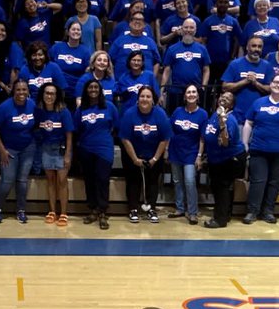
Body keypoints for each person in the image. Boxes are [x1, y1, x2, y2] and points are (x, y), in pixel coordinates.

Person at [242, 73, 279, 225]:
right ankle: (252, 211)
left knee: (274, 182)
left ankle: (268, 211)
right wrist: (244, 143)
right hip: (259, 149)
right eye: (276, 82)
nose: (278, 85)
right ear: (270, 84)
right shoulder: (258, 102)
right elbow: (248, 123)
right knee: (258, 181)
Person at [118, 86, 170, 224]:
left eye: (148, 96)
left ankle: (151, 209)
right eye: (142, 96)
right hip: (133, 155)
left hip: (154, 155)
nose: (145, 99)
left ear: (153, 100)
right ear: (138, 98)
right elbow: (125, 138)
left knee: (153, 182)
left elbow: (164, 139)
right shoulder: (129, 113)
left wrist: (154, 159)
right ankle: (133, 209)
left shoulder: (160, 114)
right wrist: (135, 159)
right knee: (133, 182)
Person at [0, 80, 38, 223]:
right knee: (7, 180)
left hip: (28, 148)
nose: (21, 93)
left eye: (24, 90)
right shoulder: (4, 107)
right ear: (13, 91)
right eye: (18, 90)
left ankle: (21, 209)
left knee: (22, 181)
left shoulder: (32, 105)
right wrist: (2, 149)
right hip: (8, 149)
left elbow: (36, 125)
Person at [75, 79, 119, 229]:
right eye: (90, 87)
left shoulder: (109, 107)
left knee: (102, 179)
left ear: (100, 90)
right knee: (89, 180)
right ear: (86, 91)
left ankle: (103, 212)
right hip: (86, 149)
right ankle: (93, 209)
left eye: (96, 87)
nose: (93, 89)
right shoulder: (81, 109)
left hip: (104, 150)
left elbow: (116, 126)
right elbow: (77, 128)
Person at [202, 91, 244, 229]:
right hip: (216, 159)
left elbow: (225, 142)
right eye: (222, 96)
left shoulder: (229, 119)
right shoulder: (216, 114)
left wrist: (222, 125)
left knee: (222, 188)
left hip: (228, 159)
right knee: (221, 188)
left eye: (228, 98)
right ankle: (226, 214)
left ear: (231, 105)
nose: (224, 99)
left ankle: (220, 220)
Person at [166, 85, 207, 224]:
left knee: (189, 181)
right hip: (175, 151)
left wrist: (199, 156)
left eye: (194, 92)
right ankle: (179, 208)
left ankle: (193, 212)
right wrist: (166, 150)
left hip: (191, 153)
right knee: (177, 181)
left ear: (198, 96)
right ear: (184, 96)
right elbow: (169, 132)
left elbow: (202, 138)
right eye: (188, 92)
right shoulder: (177, 111)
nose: (191, 94)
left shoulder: (202, 114)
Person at [34, 83, 74, 226]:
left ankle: (63, 213)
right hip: (46, 148)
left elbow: (69, 135)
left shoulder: (63, 111)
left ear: (57, 96)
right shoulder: (39, 111)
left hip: (61, 149)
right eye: (47, 93)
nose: (49, 96)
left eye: (52, 93)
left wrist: (68, 154)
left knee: (62, 181)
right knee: (50, 180)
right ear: (42, 94)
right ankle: (52, 211)